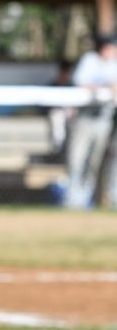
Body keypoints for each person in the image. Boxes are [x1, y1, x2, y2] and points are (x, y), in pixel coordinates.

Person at [64, 33, 117, 209]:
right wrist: (103, 86)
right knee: (76, 159)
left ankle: (86, 198)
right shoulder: (90, 60)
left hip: (104, 119)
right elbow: (80, 82)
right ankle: (72, 199)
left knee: (94, 161)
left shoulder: (114, 64)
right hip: (85, 118)